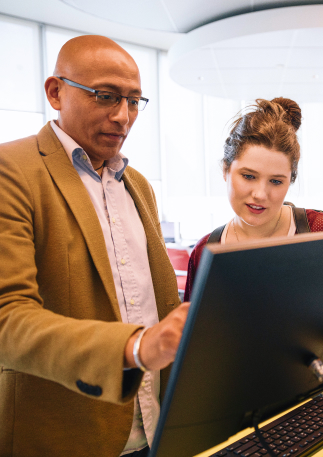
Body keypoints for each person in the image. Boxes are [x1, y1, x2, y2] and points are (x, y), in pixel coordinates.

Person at [0, 35, 189, 457]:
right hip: (64, 438)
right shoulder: (11, 171)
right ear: (56, 92)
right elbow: (7, 320)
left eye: (135, 101)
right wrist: (137, 346)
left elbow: (148, 301)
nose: (123, 116)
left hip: (156, 431)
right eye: (106, 96)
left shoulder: (138, 185)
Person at [184, 97, 323, 302]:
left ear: (290, 180)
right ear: (225, 170)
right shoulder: (205, 253)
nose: (260, 194)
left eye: (275, 181)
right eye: (248, 176)